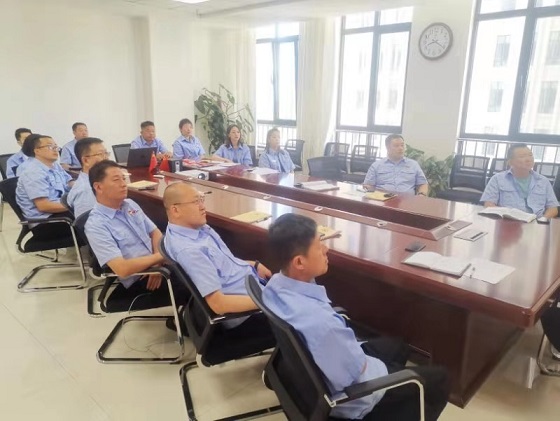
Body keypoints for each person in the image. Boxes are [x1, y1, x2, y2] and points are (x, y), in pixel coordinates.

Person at [264, 213, 449, 421]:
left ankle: (400, 396)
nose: (326, 249)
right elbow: (353, 372)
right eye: (319, 245)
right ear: (299, 262)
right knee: (439, 379)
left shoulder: (275, 286)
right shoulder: (323, 325)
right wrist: (354, 351)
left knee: (399, 346)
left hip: (319, 373)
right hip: (355, 398)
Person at [163, 182, 271, 333]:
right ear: (176, 210)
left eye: (201, 199)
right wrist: (270, 301)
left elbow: (223, 264)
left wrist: (253, 264)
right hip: (250, 313)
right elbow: (218, 304)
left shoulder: (193, 228)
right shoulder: (190, 251)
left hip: (254, 286)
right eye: (195, 202)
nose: (202, 207)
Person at [84, 160, 188, 312]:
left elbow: (154, 232)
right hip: (141, 277)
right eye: (116, 180)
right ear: (98, 187)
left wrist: (157, 264)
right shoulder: (96, 225)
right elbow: (122, 269)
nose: (123, 184)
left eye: (123, 178)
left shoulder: (130, 204)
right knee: (199, 285)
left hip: (158, 266)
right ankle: (192, 322)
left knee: (203, 269)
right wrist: (160, 257)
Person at [15, 134, 74, 240]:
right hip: (46, 222)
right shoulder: (33, 172)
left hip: (60, 212)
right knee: (92, 218)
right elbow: (44, 206)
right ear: (37, 150)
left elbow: (69, 183)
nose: (55, 149)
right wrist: (78, 204)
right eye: (50, 146)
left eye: (56, 146)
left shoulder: (55, 165)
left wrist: (86, 188)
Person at [481, 143, 558, 218]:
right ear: (510, 162)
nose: (528, 159)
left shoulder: (543, 181)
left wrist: (542, 220)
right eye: (522, 156)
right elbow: (489, 204)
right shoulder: (497, 179)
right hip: (508, 222)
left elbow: (553, 208)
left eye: (530, 155)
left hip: (536, 222)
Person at [363, 134, 429, 196]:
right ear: (387, 147)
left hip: (407, 201)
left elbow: (423, 184)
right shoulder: (376, 165)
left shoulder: (413, 165)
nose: (401, 148)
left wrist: (421, 195)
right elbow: (369, 185)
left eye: (402, 145)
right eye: (396, 146)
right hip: (382, 200)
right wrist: (368, 189)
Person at [67, 137, 110, 218]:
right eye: (101, 154)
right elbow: (88, 223)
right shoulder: (86, 191)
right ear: (86, 161)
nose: (106, 158)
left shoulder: (95, 180)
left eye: (106, 153)